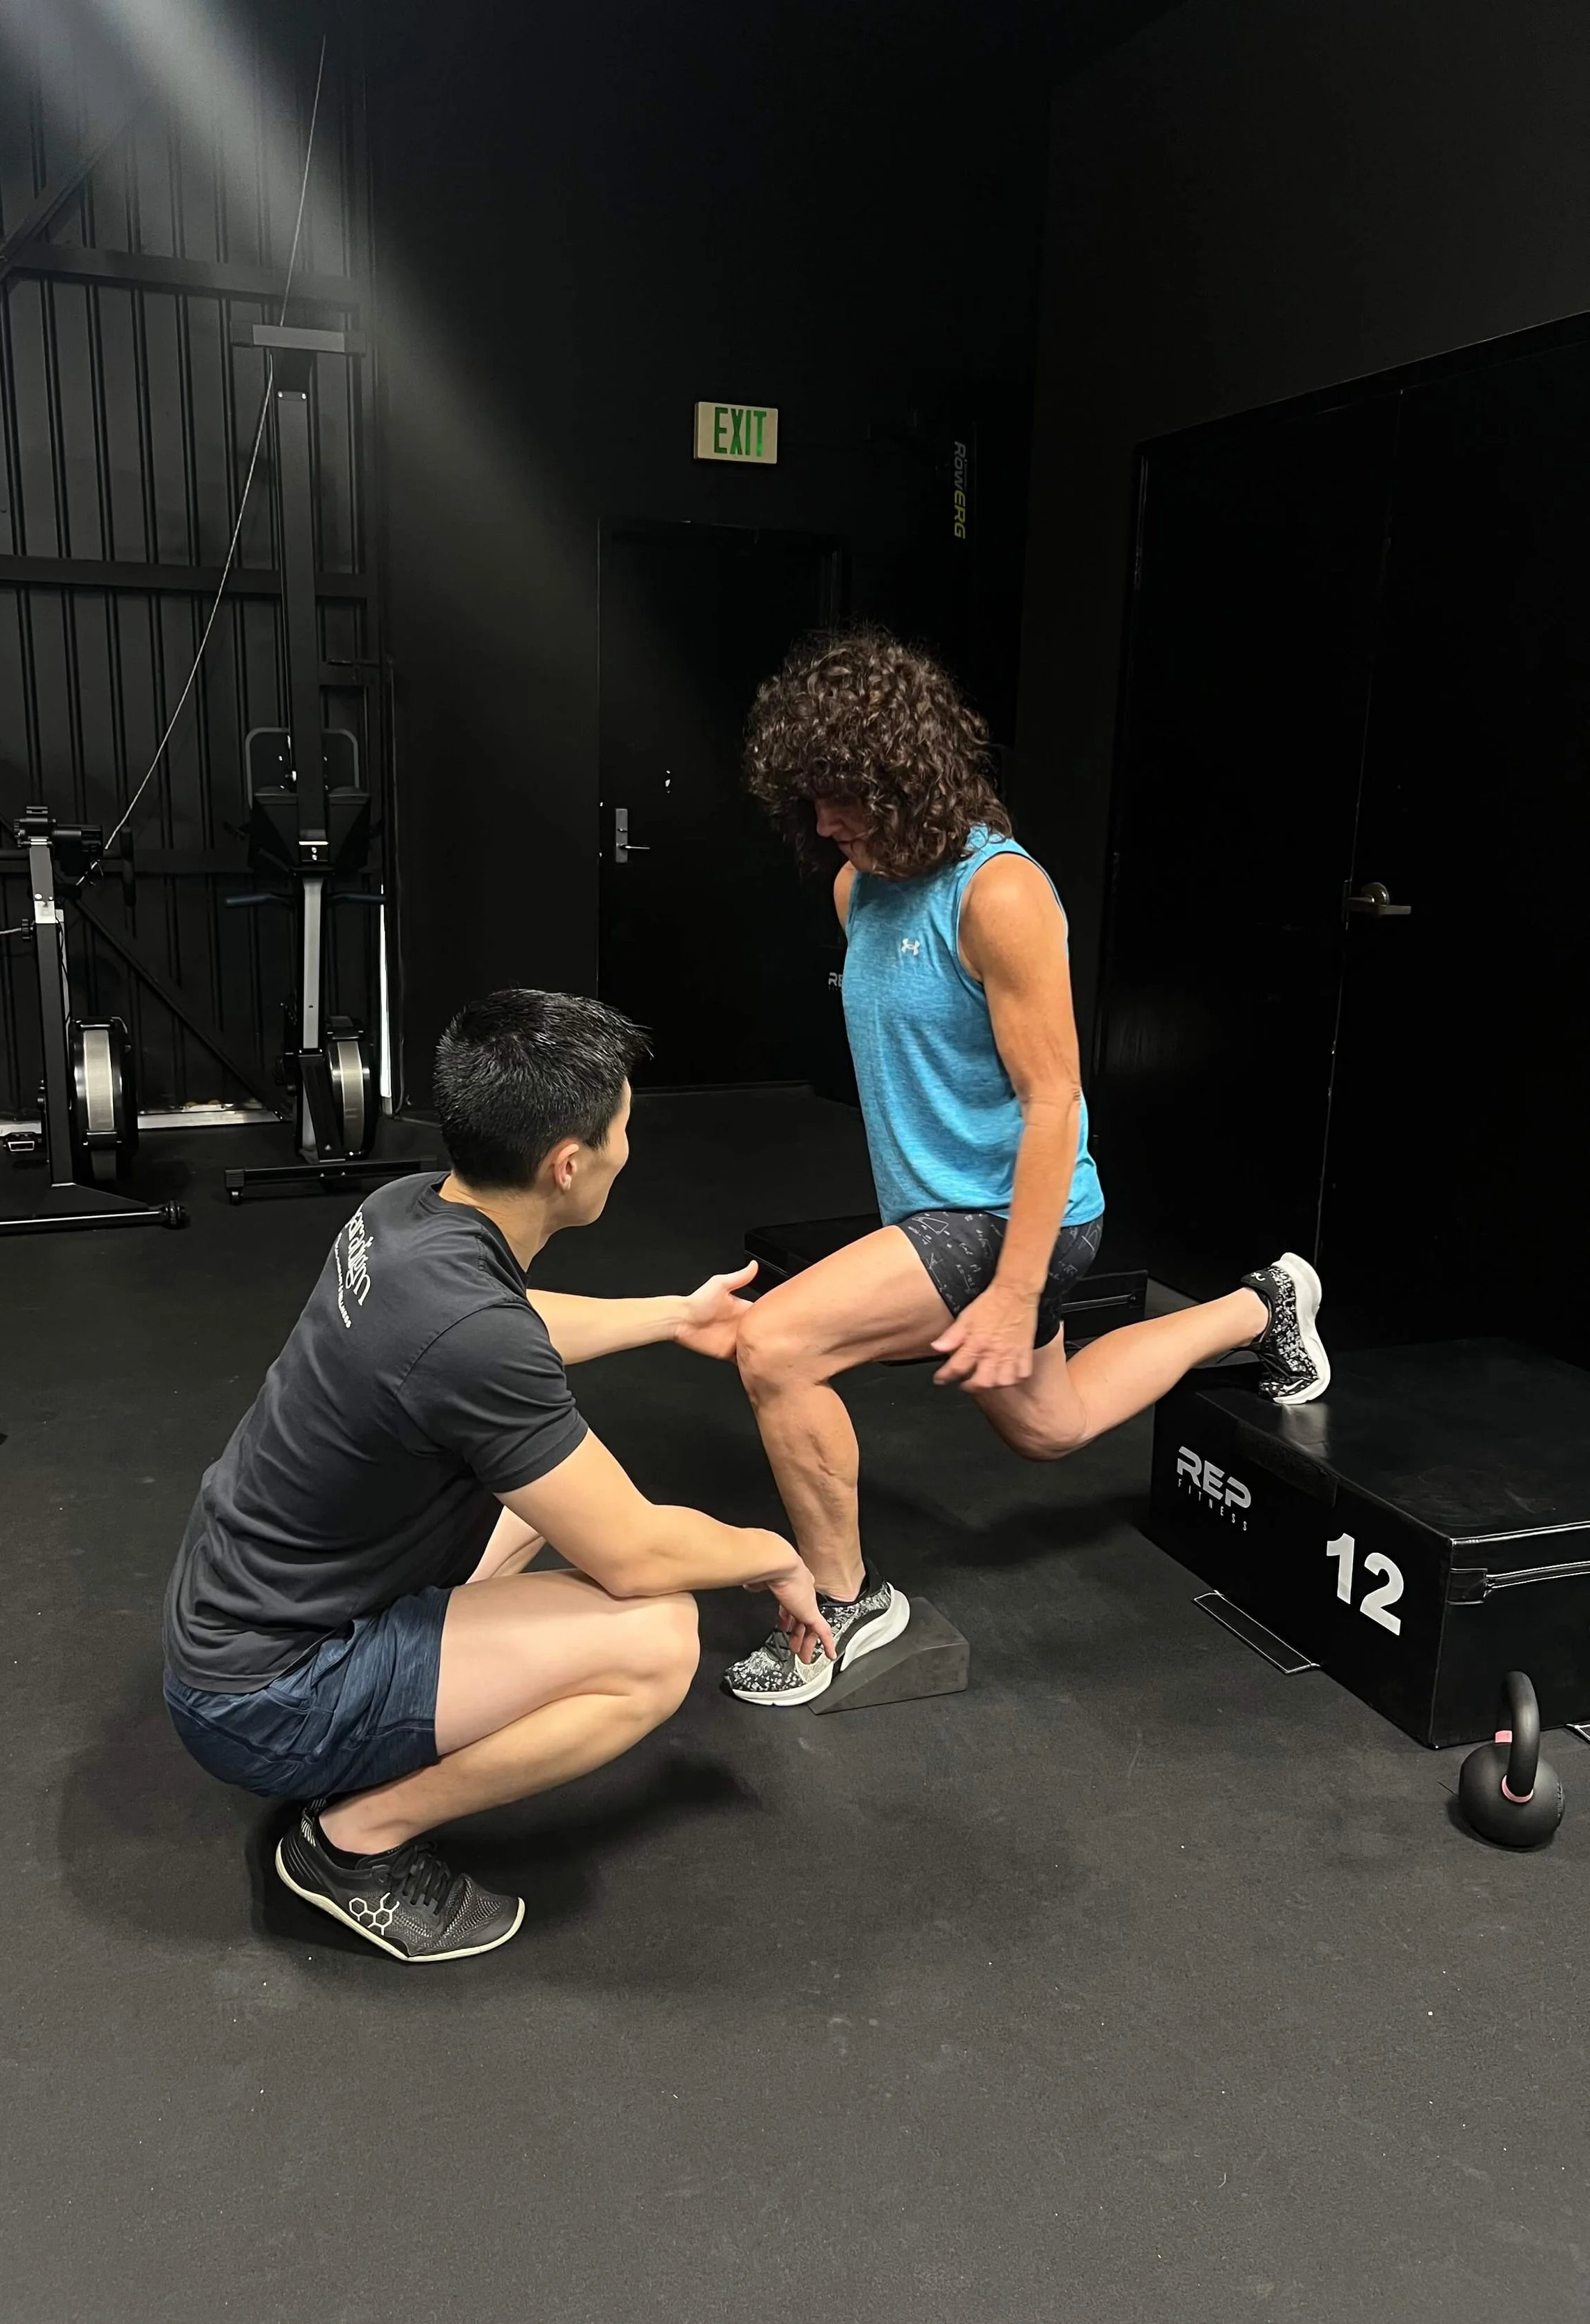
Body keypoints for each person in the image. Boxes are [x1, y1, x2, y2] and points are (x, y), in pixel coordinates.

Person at [722, 626, 1327, 1706]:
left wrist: (1013, 1291)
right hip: (945, 1214)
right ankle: (1264, 1307)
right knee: (1052, 1428)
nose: (823, 824)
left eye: (840, 796)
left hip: (1012, 1216)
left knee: (776, 1348)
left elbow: (1057, 1101)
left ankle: (850, 1609)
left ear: (901, 777)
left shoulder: (999, 896)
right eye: (808, 802)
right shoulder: (858, 889)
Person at [162, 989, 831, 1962]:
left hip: (240, 1609)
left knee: (536, 1501)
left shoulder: (404, 1211)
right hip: (263, 1698)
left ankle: (376, 1741)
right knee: (656, 1636)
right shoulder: (468, 1335)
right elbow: (639, 1554)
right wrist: (770, 1551)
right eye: (625, 1132)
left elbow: (501, 1334)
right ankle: (353, 1845)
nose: (629, 1149)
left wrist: (673, 1316)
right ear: (569, 1163)